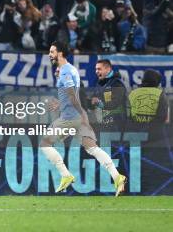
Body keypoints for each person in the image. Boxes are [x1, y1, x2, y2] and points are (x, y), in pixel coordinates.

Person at [40, 42, 126, 196]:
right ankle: (117, 176)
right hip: (77, 115)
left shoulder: (66, 71)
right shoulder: (71, 69)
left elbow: (73, 95)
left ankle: (65, 175)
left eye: (52, 52)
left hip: (70, 116)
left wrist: (80, 113)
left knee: (45, 144)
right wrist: (64, 104)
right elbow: (74, 93)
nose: (49, 54)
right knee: (92, 148)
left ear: (60, 53)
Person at [90, 59, 127, 130]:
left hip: (117, 124)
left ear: (108, 69)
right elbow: (94, 99)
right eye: (96, 69)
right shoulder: (100, 83)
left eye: (99, 69)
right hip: (104, 123)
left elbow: (115, 103)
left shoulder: (117, 83)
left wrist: (99, 103)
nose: (96, 71)